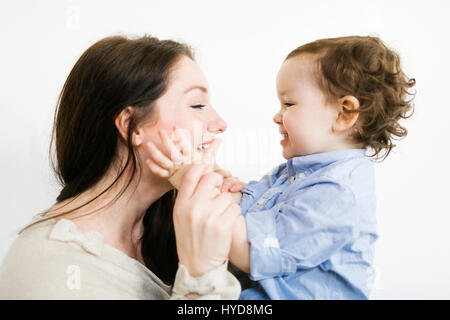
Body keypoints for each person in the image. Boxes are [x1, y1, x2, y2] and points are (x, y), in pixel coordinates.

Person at [145, 35, 416, 299]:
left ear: (344, 114)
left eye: (289, 104)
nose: (277, 116)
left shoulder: (338, 192)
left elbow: (250, 251)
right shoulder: (289, 174)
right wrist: (209, 173)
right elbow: (239, 209)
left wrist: (192, 181)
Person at [0, 35, 242, 299]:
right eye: (197, 105)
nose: (220, 123)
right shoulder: (50, 269)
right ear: (130, 126)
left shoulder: (175, 225)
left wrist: (247, 224)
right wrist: (201, 278)